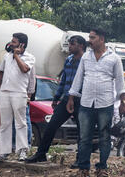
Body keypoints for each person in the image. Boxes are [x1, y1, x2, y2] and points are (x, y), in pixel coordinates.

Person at [67, 29, 125, 177]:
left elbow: (120, 81)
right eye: (89, 37)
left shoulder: (114, 58)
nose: (89, 40)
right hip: (86, 103)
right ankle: (83, 170)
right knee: (84, 138)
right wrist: (71, 98)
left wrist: (123, 102)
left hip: (105, 103)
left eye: (92, 38)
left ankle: (102, 169)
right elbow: (78, 78)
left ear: (101, 39)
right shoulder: (86, 57)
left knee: (105, 138)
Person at [26, 35, 87, 166]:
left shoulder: (86, 61)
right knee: (51, 125)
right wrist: (56, 98)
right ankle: (41, 154)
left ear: (81, 46)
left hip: (81, 100)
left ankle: (80, 160)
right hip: (66, 99)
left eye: (73, 44)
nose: (69, 46)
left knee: (82, 131)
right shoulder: (69, 60)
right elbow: (63, 80)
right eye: (69, 43)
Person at [0, 33, 35, 161]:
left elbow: (24, 69)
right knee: (5, 123)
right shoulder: (7, 56)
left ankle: (22, 151)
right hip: (5, 92)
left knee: (21, 123)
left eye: (14, 42)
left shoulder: (30, 57)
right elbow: (1, 72)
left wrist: (17, 55)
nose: (11, 43)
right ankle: (4, 152)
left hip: (19, 92)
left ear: (22, 44)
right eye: (11, 41)